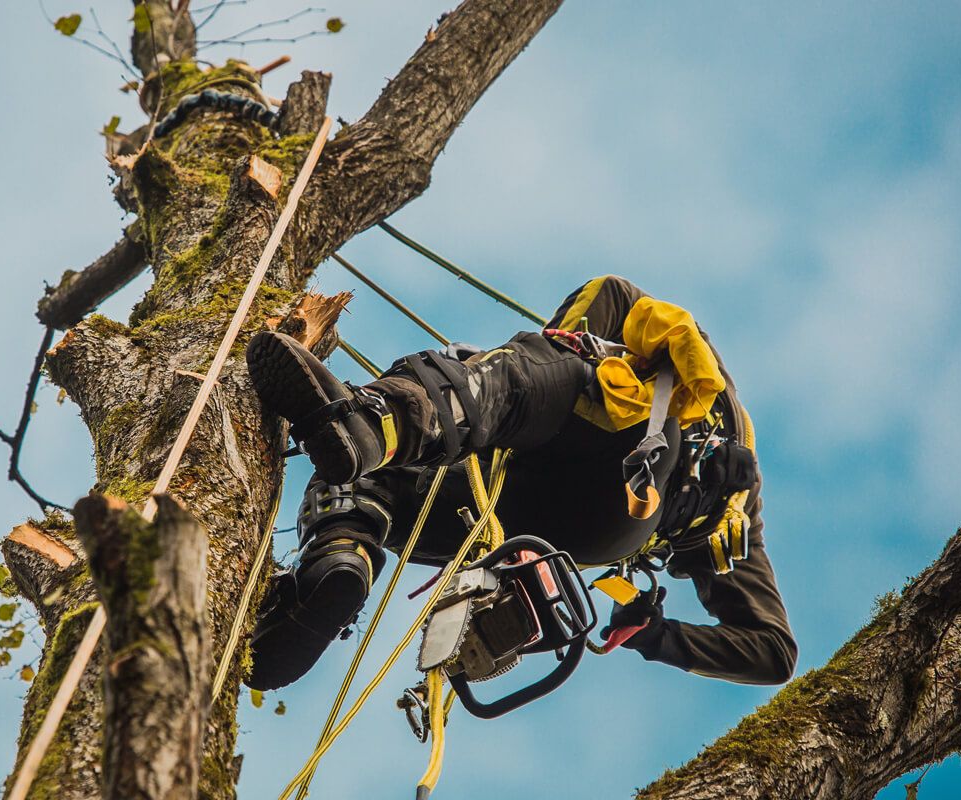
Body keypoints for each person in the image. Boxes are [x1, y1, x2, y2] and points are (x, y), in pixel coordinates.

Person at [244, 275, 797, 692]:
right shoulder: (738, 519)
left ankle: (379, 422)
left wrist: (541, 356)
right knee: (360, 477)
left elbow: (587, 315)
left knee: (534, 372)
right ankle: (336, 569)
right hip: (571, 528)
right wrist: (656, 636)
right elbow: (772, 651)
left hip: (625, 465)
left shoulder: (680, 372)